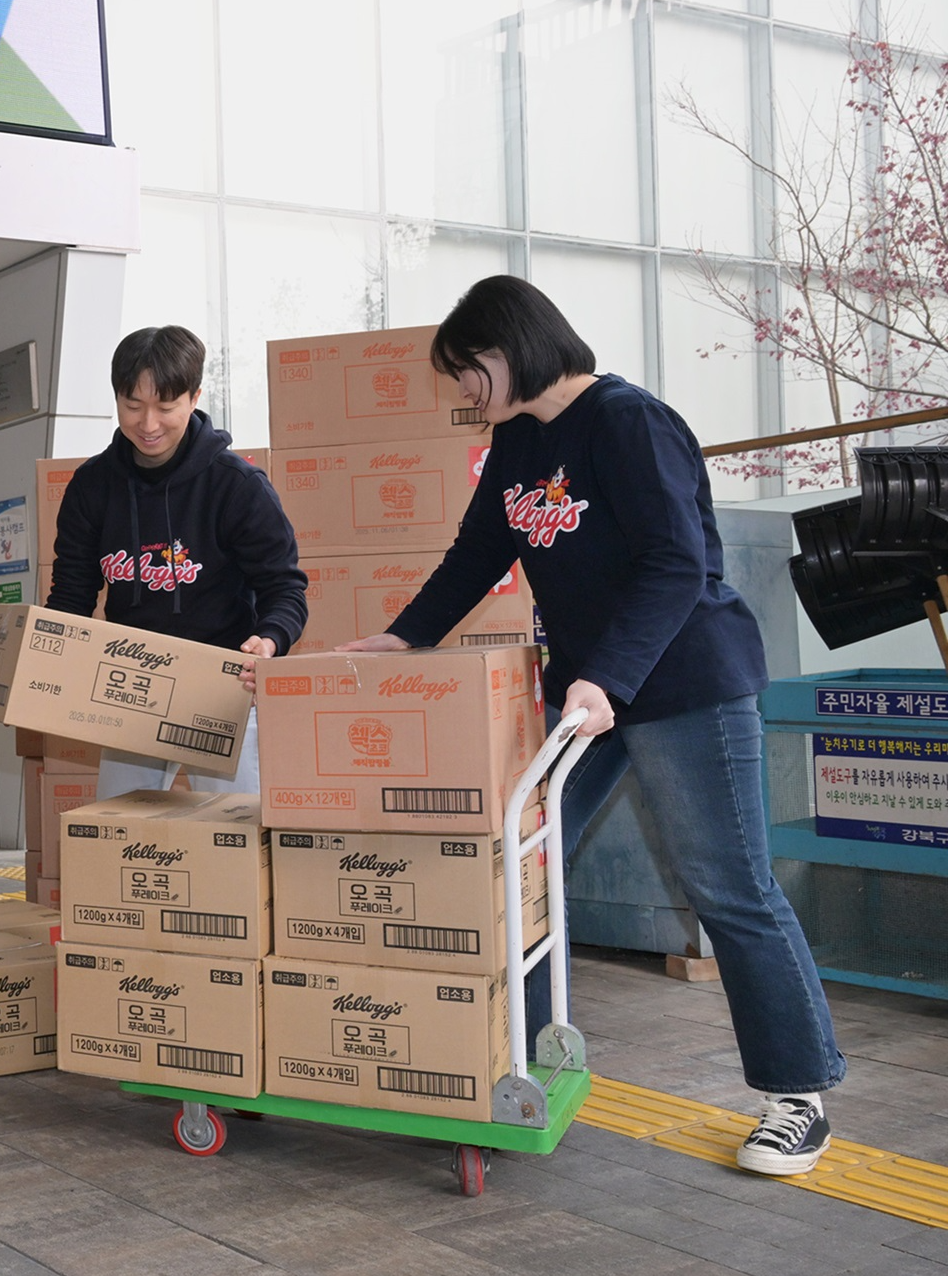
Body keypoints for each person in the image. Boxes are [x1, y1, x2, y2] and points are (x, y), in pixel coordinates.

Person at [336, 275, 845, 1177]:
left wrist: (607, 676)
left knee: (728, 887)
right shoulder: (517, 440)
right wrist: (405, 636)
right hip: (587, 692)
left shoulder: (628, 422)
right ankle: (520, 1060)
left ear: (510, 350)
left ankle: (797, 1096)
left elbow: (676, 565)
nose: (464, 391)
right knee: (524, 869)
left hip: (682, 682)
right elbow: (480, 552)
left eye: (468, 371)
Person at [47, 325, 307, 796]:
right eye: (133, 405)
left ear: (194, 398)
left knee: (235, 827)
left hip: (223, 687)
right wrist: (33, 665)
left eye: (166, 407)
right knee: (121, 826)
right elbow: (70, 595)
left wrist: (269, 640)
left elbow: (284, 588)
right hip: (130, 686)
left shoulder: (236, 486)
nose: (148, 424)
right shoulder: (92, 487)